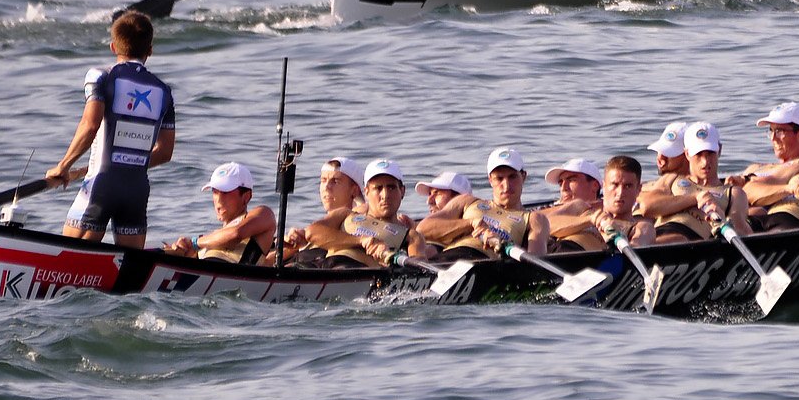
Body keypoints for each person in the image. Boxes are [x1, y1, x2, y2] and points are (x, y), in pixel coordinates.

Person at [47, 11, 177, 248]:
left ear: (113, 46)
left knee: (69, 258)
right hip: (136, 190)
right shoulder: (164, 91)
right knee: (129, 268)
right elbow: (165, 152)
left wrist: (63, 166)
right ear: (150, 50)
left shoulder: (101, 77)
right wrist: (123, 164)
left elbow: (90, 125)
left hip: (100, 185)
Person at [287, 159, 428, 268]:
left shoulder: (411, 236)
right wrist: (361, 241)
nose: (385, 195)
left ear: (402, 191)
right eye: (378, 188)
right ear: (366, 192)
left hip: (358, 273)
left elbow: (418, 269)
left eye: (391, 187)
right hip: (324, 267)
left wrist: (389, 261)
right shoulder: (346, 214)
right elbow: (312, 232)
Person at [417, 148, 550, 261]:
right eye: (499, 178)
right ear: (490, 180)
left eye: (512, 177)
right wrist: (471, 224)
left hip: (486, 264)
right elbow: (422, 230)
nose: (506, 185)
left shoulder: (534, 219)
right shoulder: (467, 201)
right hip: (448, 258)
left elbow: (535, 262)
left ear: (524, 176)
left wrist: (502, 244)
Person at [640, 122, 751, 242]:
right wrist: (695, 198)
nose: (705, 162)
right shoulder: (672, 179)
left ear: (719, 150)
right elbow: (647, 207)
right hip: (658, 233)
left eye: (710, 153)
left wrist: (721, 217)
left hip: (691, 241)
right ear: (687, 154)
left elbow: (742, 232)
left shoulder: (734, 193)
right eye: (698, 154)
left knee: (678, 239)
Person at [163, 162, 278, 264]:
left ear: (246, 197)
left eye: (225, 193)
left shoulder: (264, 214)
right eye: (215, 192)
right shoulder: (210, 239)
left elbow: (235, 234)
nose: (218, 200)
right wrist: (184, 251)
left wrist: (194, 243)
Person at [551, 156, 655, 252]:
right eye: (614, 185)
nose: (620, 193)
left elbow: (638, 245)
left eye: (628, 186)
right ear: (604, 186)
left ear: (638, 190)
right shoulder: (580, 207)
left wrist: (618, 230)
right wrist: (591, 220)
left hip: (582, 261)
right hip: (551, 253)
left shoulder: (641, 227)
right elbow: (547, 224)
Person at [541, 158, 607, 250]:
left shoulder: (609, 209)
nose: (563, 188)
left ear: (594, 186)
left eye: (571, 180)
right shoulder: (546, 209)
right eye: (560, 183)